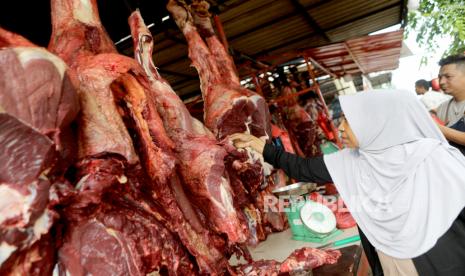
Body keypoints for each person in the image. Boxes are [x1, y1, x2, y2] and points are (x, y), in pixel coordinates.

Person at [230, 90, 465, 276]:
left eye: (349, 121)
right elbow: (302, 168)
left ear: (377, 122)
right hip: (394, 260)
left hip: (445, 255)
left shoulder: (433, 156)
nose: (340, 128)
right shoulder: (352, 161)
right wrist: (257, 144)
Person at [435, 54, 465, 153]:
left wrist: (436, 127)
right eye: (440, 77)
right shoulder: (442, 108)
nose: (442, 82)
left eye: (448, 76)